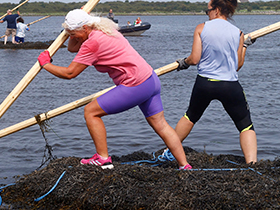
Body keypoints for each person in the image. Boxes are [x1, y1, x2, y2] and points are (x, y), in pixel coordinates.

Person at [37, 9, 192, 170]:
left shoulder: (92, 43)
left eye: (74, 33)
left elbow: (70, 73)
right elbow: (72, 48)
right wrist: (72, 29)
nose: (72, 37)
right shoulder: (105, 28)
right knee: (161, 125)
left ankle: (103, 158)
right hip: (150, 80)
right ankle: (184, 165)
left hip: (136, 84)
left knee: (91, 112)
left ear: (85, 28)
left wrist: (45, 64)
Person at [168, 0, 258, 163]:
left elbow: (194, 59)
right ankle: (252, 164)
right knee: (245, 125)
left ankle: (170, 151)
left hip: (205, 84)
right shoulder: (238, 33)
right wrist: (245, 45)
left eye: (208, 10)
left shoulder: (202, 28)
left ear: (216, 10)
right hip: (230, 85)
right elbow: (237, 66)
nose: (207, 13)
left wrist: (183, 62)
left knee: (190, 116)